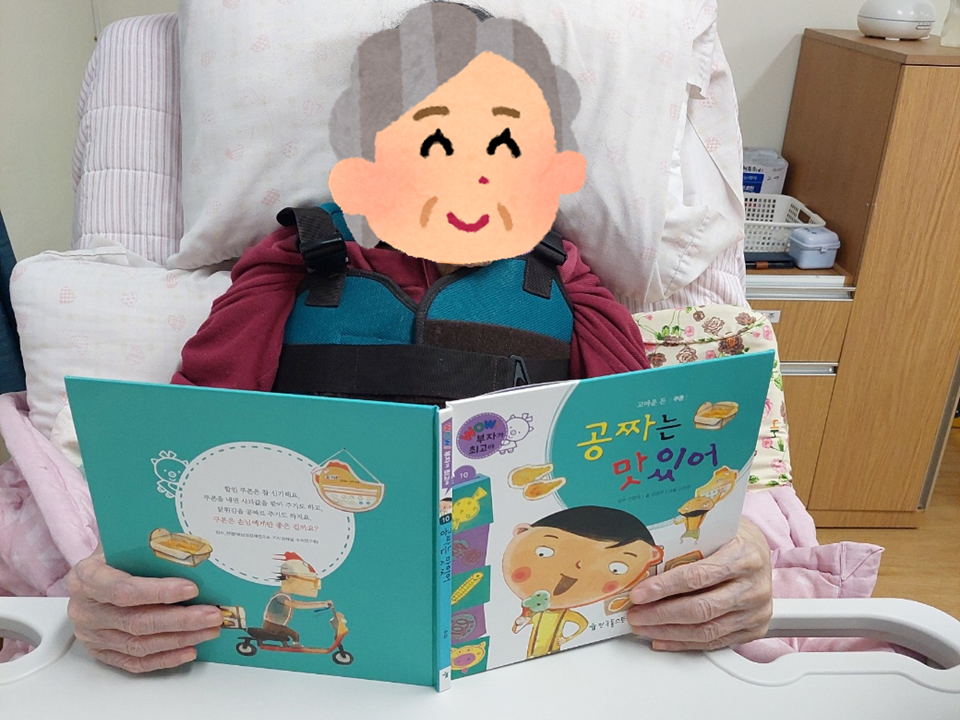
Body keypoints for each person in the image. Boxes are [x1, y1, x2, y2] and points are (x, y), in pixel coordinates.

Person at [65, 1, 772, 673]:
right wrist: (125, 576)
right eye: (434, 141)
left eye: (503, 144)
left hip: (516, 604)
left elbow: (637, 452)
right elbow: (195, 434)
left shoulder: (567, 280)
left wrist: (723, 550)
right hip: (318, 582)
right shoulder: (294, 261)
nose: (470, 170)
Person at [502, 506, 663, 659]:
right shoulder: (533, 610)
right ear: (521, 533)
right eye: (544, 552)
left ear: (653, 556)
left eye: (617, 568)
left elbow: (582, 623)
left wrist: (566, 639)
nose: (577, 567)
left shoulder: (566, 615)